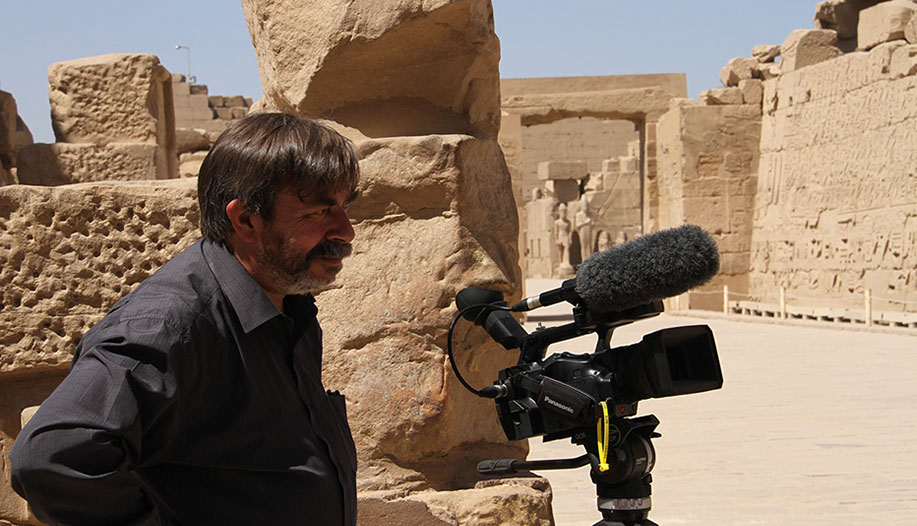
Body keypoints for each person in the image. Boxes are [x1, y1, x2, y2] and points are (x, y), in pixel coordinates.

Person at [9, 112, 361, 526]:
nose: (346, 231)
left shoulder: (286, 305)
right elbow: (49, 457)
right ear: (246, 220)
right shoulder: (171, 325)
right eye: (319, 212)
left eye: (344, 207)